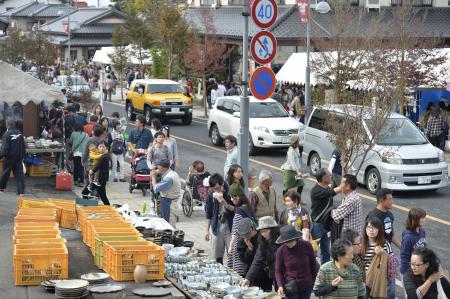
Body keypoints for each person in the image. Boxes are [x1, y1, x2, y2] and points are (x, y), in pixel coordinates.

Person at [275, 225, 318, 299]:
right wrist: (280, 285)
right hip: (290, 285)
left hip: (306, 283)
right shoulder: (281, 251)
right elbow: (278, 271)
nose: (289, 243)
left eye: (291, 240)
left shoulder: (306, 245)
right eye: (286, 242)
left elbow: (313, 265)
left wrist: (315, 281)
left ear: (296, 238)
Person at [310, 168, 342, 264]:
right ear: (323, 178)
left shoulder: (327, 187)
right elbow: (330, 193)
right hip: (317, 224)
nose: (331, 177)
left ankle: (324, 271)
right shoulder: (316, 190)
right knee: (313, 251)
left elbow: (330, 192)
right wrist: (342, 186)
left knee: (326, 251)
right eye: (329, 175)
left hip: (326, 225)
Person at [204, 173, 235, 265]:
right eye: (214, 189)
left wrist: (225, 203)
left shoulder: (230, 192)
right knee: (217, 258)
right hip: (216, 229)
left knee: (232, 257)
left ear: (222, 184)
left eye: (218, 188)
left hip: (230, 229)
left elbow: (236, 210)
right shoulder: (211, 194)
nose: (216, 191)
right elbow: (208, 213)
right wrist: (206, 230)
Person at [243, 216, 280, 291]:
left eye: (265, 230)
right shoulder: (263, 242)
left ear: (273, 229)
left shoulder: (281, 240)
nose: (263, 234)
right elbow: (257, 261)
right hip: (275, 276)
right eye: (261, 231)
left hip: (287, 275)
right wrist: (248, 278)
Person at [361, 217, 393, 299]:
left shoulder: (385, 244)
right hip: (363, 279)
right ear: (365, 229)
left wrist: (382, 254)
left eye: (374, 228)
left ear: (379, 230)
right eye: (369, 227)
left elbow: (393, 262)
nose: (371, 230)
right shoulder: (360, 243)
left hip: (378, 278)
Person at [228, 191, 256, 276]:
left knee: (238, 268)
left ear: (239, 198)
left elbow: (235, 231)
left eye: (233, 197)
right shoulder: (248, 208)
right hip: (248, 239)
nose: (231, 199)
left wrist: (231, 246)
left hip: (240, 241)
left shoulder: (239, 213)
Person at [0, 118, 26, 195]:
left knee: (5, 173)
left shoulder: (6, 135)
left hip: (9, 158)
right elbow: (23, 146)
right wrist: (23, 156)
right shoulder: (20, 133)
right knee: (19, 174)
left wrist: (0, 156)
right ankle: (21, 192)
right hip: (18, 157)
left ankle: (1, 188)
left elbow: (5, 149)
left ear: (7, 125)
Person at [151, 159, 181, 224]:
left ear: (163, 168)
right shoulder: (172, 173)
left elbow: (155, 188)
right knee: (165, 224)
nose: (157, 168)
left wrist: (153, 177)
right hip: (168, 201)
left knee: (168, 226)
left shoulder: (168, 178)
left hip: (169, 203)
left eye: (158, 166)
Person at [82, 141, 111, 205]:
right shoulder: (104, 155)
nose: (101, 148)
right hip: (101, 180)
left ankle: (86, 207)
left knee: (84, 192)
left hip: (99, 180)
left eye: (103, 147)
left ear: (106, 148)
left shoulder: (104, 157)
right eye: (100, 146)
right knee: (103, 196)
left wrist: (92, 171)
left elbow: (97, 165)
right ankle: (108, 207)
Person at [401, 208, 427, 275]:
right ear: (415, 220)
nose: (425, 220)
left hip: (420, 268)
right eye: (422, 218)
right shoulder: (408, 237)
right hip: (410, 271)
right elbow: (404, 257)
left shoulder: (422, 231)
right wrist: (405, 274)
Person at [69, 123, 88, 187]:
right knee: (81, 167)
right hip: (83, 153)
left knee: (76, 167)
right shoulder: (86, 134)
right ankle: (81, 181)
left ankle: (75, 180)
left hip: (75, 153)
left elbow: (70, 142)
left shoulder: (73, 134)